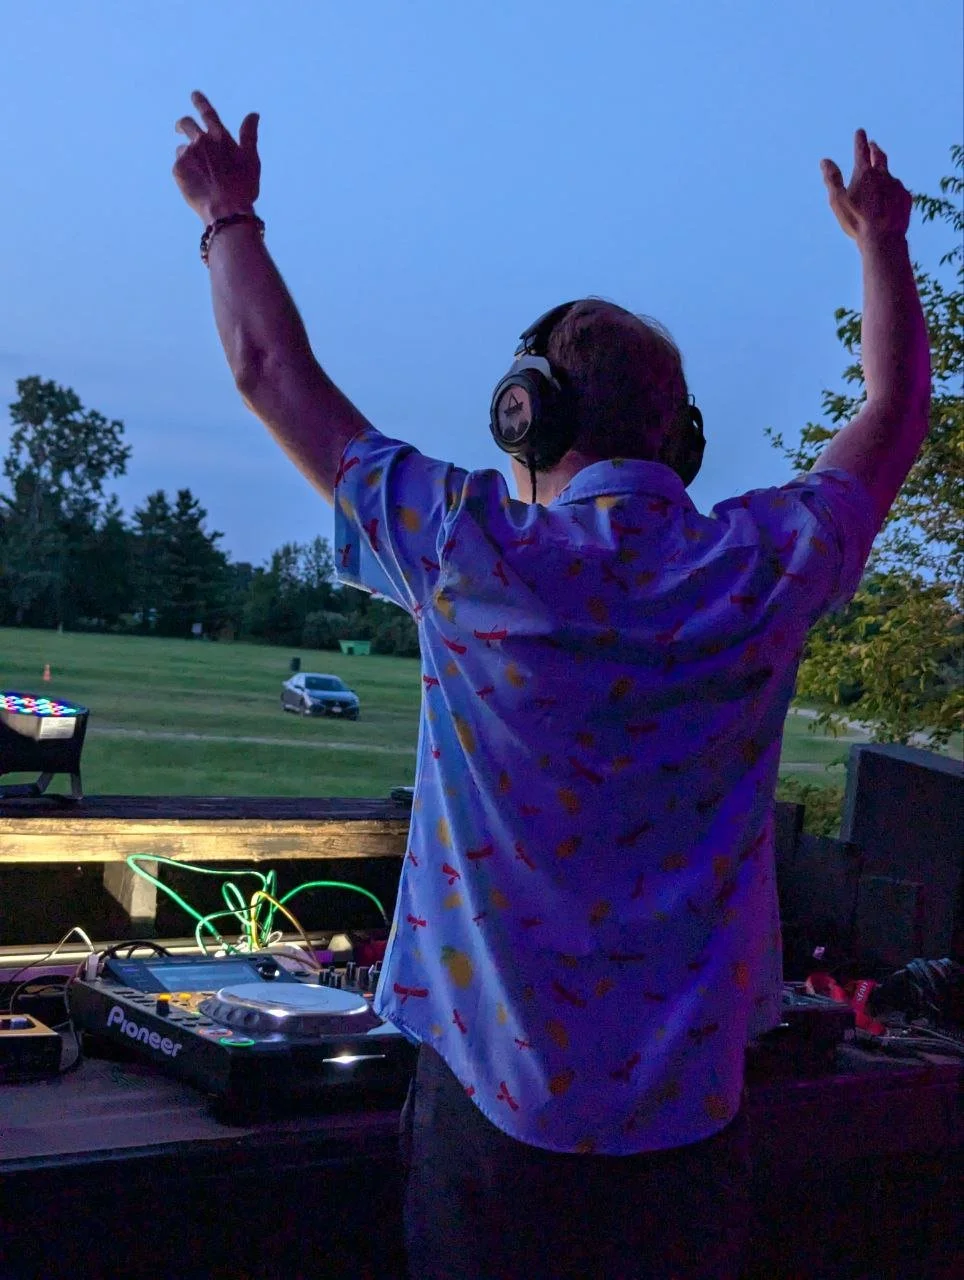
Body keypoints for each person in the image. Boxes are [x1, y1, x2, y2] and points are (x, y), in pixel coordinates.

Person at [173, 93, 930, 1279]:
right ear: (677, 439)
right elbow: (891, 416)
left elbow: (267, 368)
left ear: (522, 417)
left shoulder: (467, 549)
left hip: (496, 1133)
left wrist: (228, 216)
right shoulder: (759, 566)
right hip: (692, 1131)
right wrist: (881, 240)